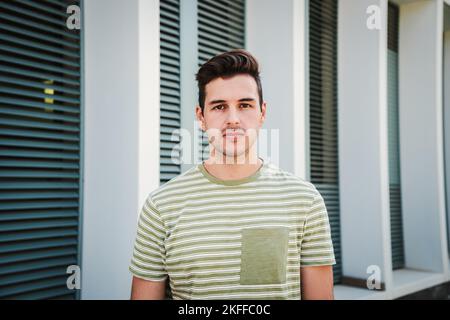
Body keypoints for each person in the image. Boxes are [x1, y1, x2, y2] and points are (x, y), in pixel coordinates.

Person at [129, 49, 336, 300]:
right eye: (219, 107)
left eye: (245, 105)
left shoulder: (305, 201)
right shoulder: (161, 206)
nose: (233, 119)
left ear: (262, 112)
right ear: (200, 117)